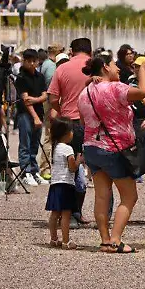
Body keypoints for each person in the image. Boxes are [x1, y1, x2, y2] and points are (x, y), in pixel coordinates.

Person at [79, 50, 145, 253]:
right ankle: (116, 240)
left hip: (91, 148)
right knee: (129, 197)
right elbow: (143, 92)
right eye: (114, 64)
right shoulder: (115, 88)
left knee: (102, 196)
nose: (118, 67)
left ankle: (104, 240)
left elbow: (83, 121)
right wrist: (142, 69)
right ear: (106, 67)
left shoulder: (85, 93)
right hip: (115, 149)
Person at [48, 38, 94, 228]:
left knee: (68, 171)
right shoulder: (96, 68)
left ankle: (67, 213)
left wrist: (64, 111)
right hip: (91, 123)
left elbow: (52, 99)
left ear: (72, 51)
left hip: (68, 124)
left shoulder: (62, 69)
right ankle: (81, 212)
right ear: (90, 51)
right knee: (94, 170)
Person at [15, 49, 49, 187]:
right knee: (25, 143)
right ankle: (25, 171)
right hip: (26, 114)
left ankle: (34, 171)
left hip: (39, 113)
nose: (32, 63)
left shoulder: (40, 76)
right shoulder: (21, 78)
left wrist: (35, 100)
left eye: (34, 61)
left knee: (35, 144)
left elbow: (45, 95)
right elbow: (25, 100)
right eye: (29, 61)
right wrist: (35, 117)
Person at [45, 118, 80, 249]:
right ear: (66, 133)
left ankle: (53, 239)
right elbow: (72, 168)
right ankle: (66, 241)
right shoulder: (68, 149)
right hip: (66, 184)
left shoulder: (55, 147)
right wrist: (79, 160)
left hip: (55, 183)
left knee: (55, 213)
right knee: (66, 214)